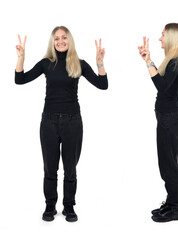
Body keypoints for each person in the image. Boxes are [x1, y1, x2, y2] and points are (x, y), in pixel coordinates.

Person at [15, 26, 108, 222]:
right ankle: (50, 206)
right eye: (56, 38)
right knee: (50, 168)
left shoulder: (79, 64)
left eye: (64, 38)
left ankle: (68, 206)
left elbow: (102, 84)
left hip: (73, 122)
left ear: (70, 40)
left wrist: (100, 62)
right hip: (48, 122)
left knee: (70, 168)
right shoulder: (46, 63)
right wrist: (21, 57)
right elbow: (20, 79)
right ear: (52, 42)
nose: (60, 41)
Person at [138, 23, 178, 222]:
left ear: (172, 38)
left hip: (170, 120)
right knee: (166, 163)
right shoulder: (172, 61)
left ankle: (175, 208)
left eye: (162, 35)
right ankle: (171, 203)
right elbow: (163, 86)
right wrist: (149, 60)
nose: (160, 39)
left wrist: (149, 61)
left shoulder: (177, 62)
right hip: (166, 118)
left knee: (169, 165)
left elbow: (162, 88)